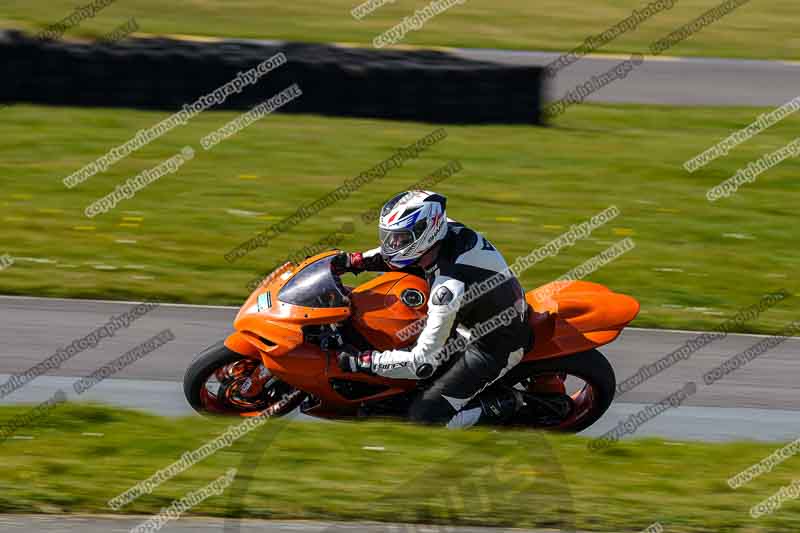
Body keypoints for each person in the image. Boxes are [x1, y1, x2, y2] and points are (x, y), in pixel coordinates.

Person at [331, 190, 533, 428]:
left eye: (400, 238)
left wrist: (364, 362)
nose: (392, 244)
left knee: (424, 418)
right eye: (389, 237)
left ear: (425, 233)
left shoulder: (448, 287)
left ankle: (505, 404)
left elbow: (422, 363)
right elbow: (393, 254)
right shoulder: (443, 230)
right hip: (478, 315)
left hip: (494, 346)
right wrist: (355, 261)